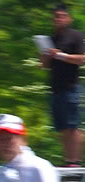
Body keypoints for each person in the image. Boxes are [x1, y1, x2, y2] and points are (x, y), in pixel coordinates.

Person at [39, 3, 85, 167]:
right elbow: (44, 65)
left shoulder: (76, 36)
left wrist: (61, 55)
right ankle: (68, 161)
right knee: (62, 128)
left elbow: (82, 59)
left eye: (62, 16)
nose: (58, 19)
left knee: (73, 126)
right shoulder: (51, 39)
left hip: (71, 87)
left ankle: (76, 161)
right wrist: (45, 54)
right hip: (55, 89)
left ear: (69, 18)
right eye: (56, 16)